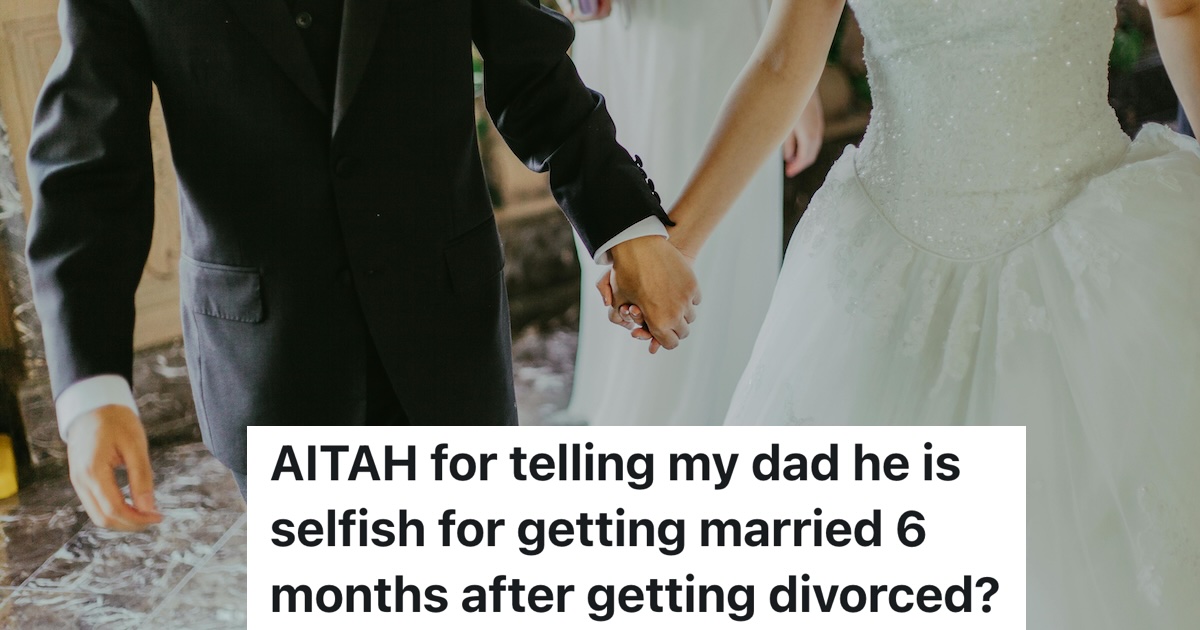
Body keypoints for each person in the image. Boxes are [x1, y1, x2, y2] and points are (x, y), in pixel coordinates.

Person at [613, 0, 1200, 624]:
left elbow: (1181, 8)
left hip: (1095, 259)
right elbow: (784, 63)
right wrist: (672, 246)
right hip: (884, 270)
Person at [25, 0, 699, 527]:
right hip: (273, 364)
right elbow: (90, 166)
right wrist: (91, 387)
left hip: (447, 341)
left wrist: (626, 226)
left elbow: (532, 69)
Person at [559, 0, 823, 426]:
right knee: (614, 195)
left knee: (713, 220)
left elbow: (787, 56)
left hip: (708, 25)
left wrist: (800, 78)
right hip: (613, 31)